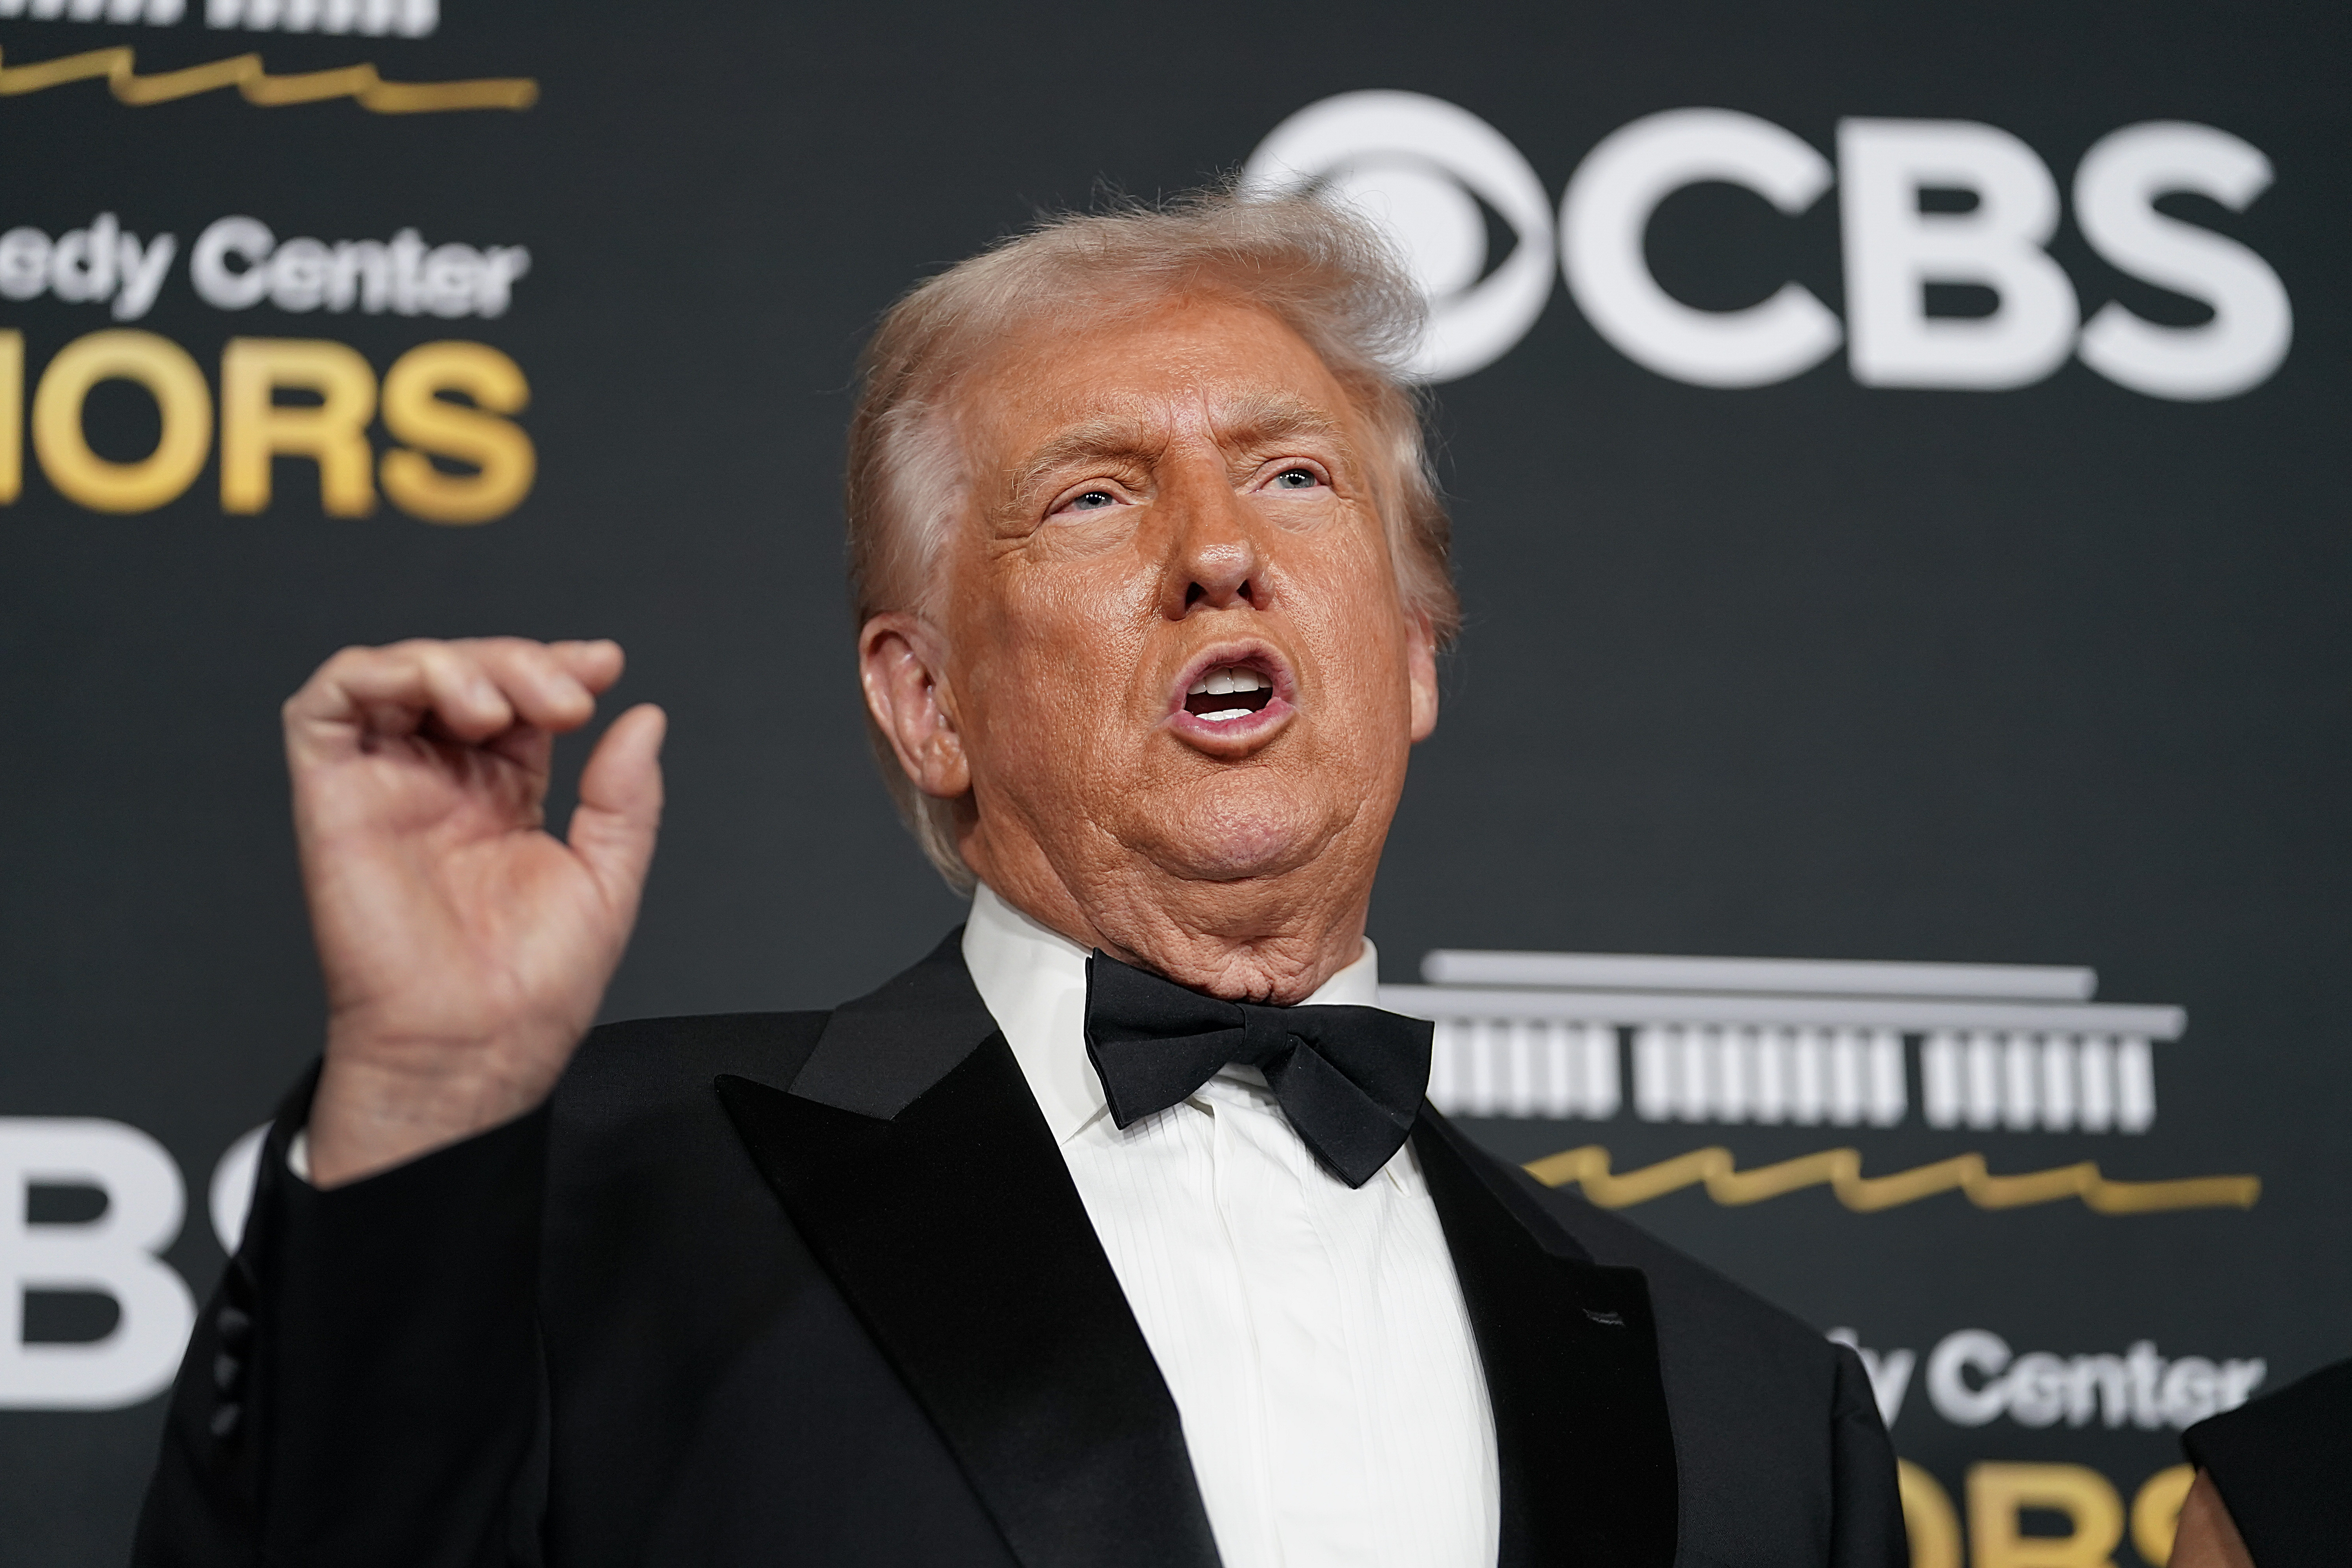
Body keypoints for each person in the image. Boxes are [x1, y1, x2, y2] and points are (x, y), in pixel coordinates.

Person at [134, 190, 1903, 1568]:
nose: (1219, 552)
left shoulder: (1751, 1406)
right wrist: (431, 1101)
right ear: (926, 703)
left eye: (1293, 476)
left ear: (1418, 650)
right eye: (1094, 498)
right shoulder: (579, 1197)